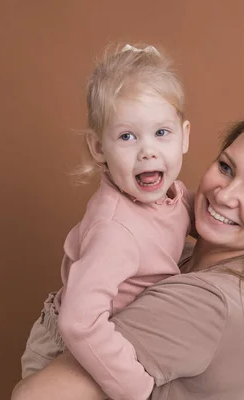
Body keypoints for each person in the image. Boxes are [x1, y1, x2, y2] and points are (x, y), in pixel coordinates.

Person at [12, 108, 244, 400]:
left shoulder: (205, 304)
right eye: (226, 168)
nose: (225, 194)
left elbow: (33, 395)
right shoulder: (187, 260)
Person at [19, 42, 193, 400]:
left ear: (184, 136)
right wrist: (140, 390)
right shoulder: (115, 231)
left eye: (162, 133)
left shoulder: (175, 196)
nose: (148, 150)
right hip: (70, 348)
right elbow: (78, 323)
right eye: (127, 136)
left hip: (110, 335)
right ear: (99, 148)